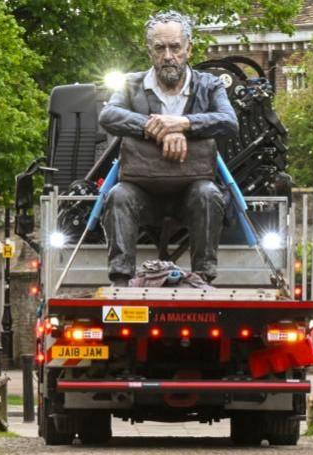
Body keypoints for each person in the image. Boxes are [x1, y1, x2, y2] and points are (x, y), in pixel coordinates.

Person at [98, 10, 239, 286]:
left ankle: (203, 276)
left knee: (209, 194)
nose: (168, 56)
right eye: (160, 48)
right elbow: (108, 116)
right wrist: (159, 129)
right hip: (143, 190)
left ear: (189, 48)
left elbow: (229, 122)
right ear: (149, 50)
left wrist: (182, 123)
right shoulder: (130, 84)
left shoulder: (209, 86)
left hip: (192, 192)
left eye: (175, 47)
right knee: (117, 196)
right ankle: (120, 279)